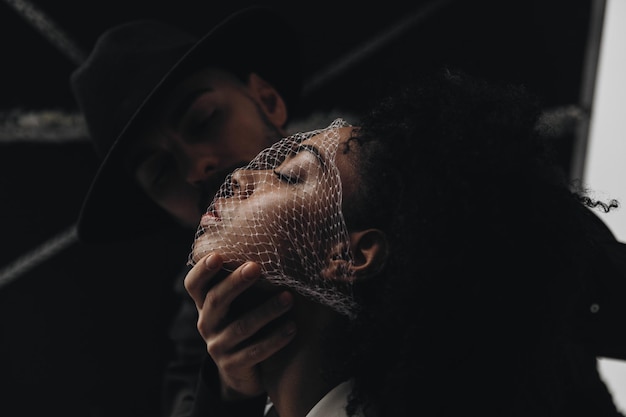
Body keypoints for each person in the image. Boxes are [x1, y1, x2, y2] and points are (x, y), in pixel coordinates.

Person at [184, 68, 625, 417]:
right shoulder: (199, 367)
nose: (233, 175)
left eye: (286, 175)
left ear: (351, 254)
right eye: (161, 172)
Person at [70, 6, 310, 416]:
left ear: (267, 101)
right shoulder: (200, 322)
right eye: (160, 171)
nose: (195, 167)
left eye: (204, 120)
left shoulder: (399, 176)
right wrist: (231, 391)